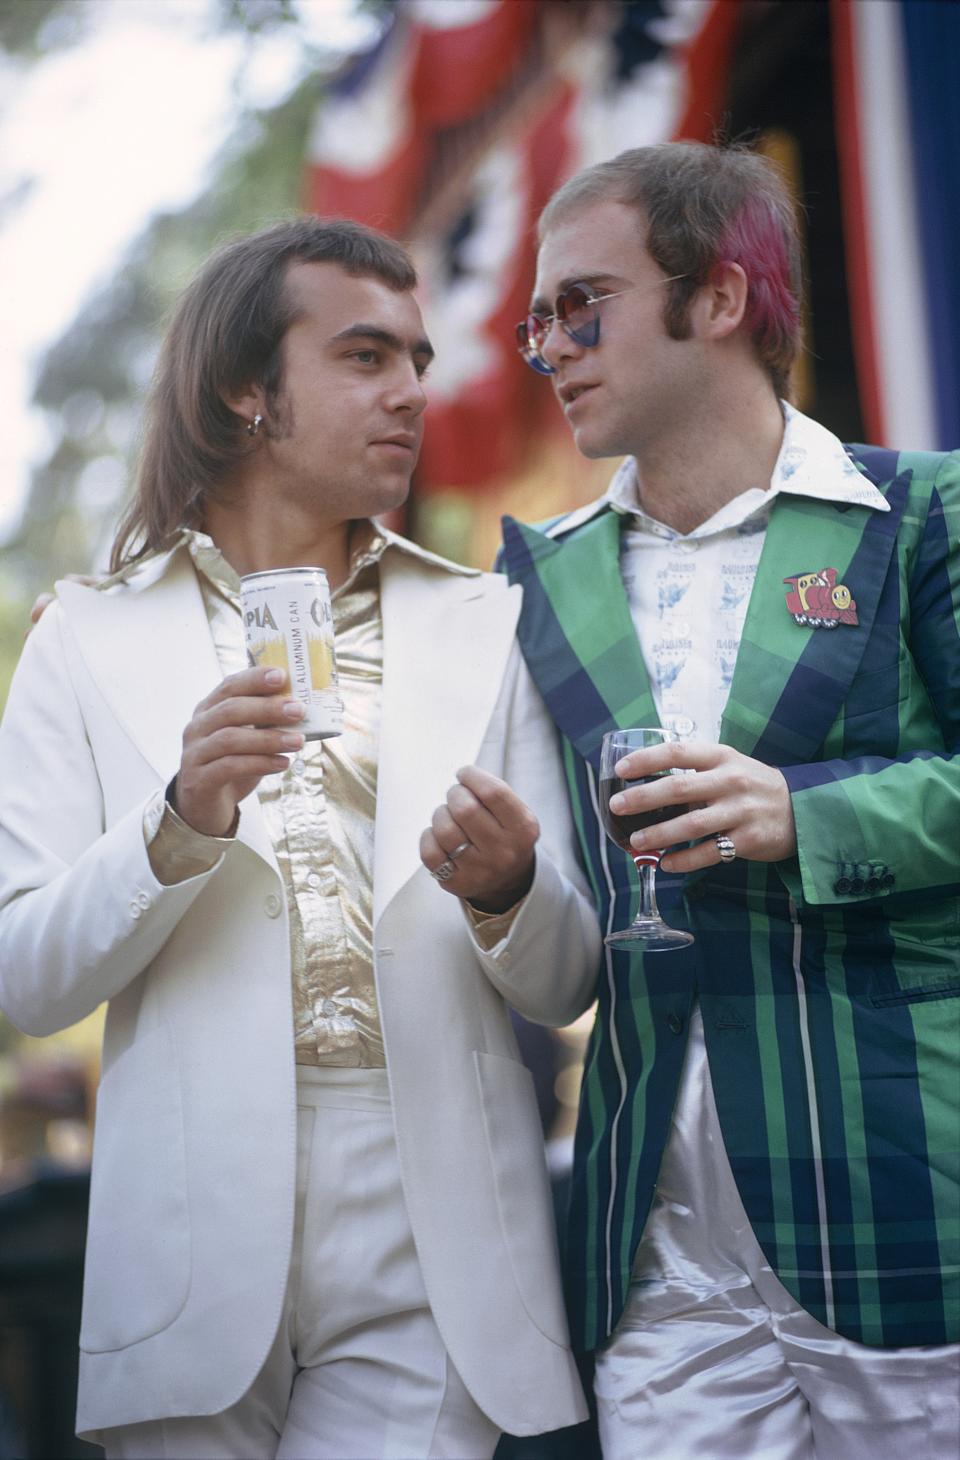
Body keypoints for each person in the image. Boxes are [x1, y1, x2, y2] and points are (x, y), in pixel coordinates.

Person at [0, 217, 601, 1458]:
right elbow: (27, 976)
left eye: (419, 361)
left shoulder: (489, 620)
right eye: (367, 356)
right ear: (245, 389)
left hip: (437, 1213)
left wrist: (509, 888)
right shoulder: (84, 635)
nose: (412, 393)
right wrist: (178, 822)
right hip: (184, 1214)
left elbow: (567, 972)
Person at [496, 141, 960, 1458]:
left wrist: (806, 816)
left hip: (904, 1186)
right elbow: (565, 937)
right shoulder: (535, 579)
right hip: (650, 1227)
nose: (550, 347)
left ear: (719, 298)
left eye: (580, 304)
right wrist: (504, 888)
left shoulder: (923, 510)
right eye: (537, 322)